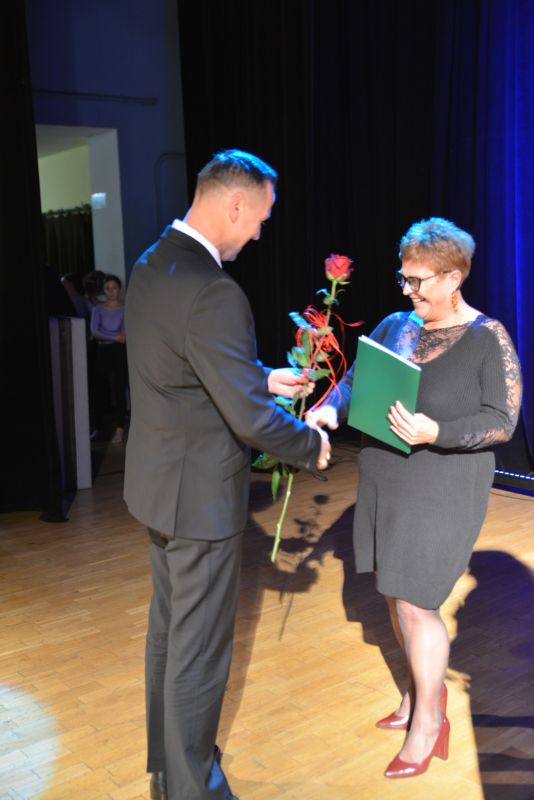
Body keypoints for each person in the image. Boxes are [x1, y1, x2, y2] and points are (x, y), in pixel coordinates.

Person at [123, 149, 333, 800]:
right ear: (236, 204)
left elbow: (183, 365)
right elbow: (249, 423)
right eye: (261, 217)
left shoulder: (153, 262)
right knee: (200, 652)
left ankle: (169, 770)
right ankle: (192, 788)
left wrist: (261, 376)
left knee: (169, 636)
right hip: (199, 500)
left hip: (157, 488)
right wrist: (311, 446)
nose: (260, 233)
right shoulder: (215, 290)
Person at [307, 217, 522, 779]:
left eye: (418, 280)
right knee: (392, 592)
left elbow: (502, 422)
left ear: (453, 277)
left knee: (416, 601)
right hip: (386, 474)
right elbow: (357, 380)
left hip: (444, 482)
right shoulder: (395, 325)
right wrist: (331, 407)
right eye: (403, 278)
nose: (408, 291)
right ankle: (419, 690)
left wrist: (437, 432)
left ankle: (430, 721)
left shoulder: (488, 337)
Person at [90, 274, 128, 444]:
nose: (111, 292)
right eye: (108, 288)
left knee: (120, 389)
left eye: (114, 288)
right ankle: (99, 428)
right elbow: (94, 332)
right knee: (100, 390)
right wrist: (114, 337)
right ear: (103, 290)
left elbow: (124, 334)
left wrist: (114, 336)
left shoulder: (124, 309)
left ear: (119, 290)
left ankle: (119, 429)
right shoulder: (97, 309)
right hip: (103, 350)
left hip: (119, 351)